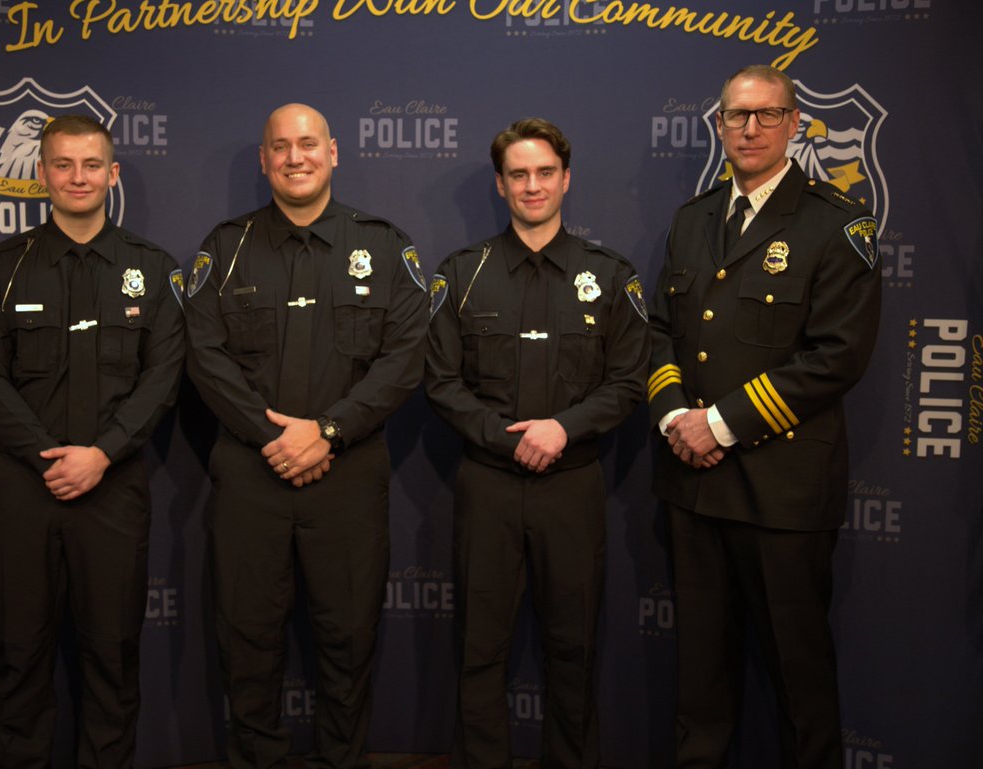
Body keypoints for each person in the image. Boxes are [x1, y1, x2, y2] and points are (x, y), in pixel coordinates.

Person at [646, 65, 882, 768]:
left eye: (766, 115)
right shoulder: (693, 220)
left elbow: (837, 355)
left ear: (795, 123)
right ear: (718, 125)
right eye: (736, 116)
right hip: (693, 488)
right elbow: (660, 332)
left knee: (799, 679)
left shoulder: (835, 224)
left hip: (781, 492)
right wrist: (671, 419)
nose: (749, 129)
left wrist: (715, 423)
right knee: (700, 681)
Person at [183, 103, 427, 769]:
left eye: (308, 144)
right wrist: (277, 436)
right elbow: (203, 354)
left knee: (348, 636)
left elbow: (406, 355)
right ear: (263, 159)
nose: (296, 157)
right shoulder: (224, 249)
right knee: (247, 635)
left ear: (334, 152)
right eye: (281, 146)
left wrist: (328, 430)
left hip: (346, 472)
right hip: (250, 470)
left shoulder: (383, 246)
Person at [0, 114, 186, 769]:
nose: (78, 177)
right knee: (21, 650)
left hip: (114, 487)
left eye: (91, 165)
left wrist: (103, 452)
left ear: (112, 174)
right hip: (27, 488)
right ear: (42, 174)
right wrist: (47, 455)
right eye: (63, 164)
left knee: (112, 653)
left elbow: (163, 376)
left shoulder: (152, 269)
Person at [425, 118, 650, 769]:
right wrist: (504, 437)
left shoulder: (609, 275)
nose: (532, 185)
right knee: (479, 649)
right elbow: (439, 381)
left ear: (566, 178)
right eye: (518, 174)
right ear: (500, 184)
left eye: (545, 172)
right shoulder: (462, 274)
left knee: (574, 649)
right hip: (488, 484)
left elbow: (629, 379)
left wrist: (564, 428)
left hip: (573, 484)